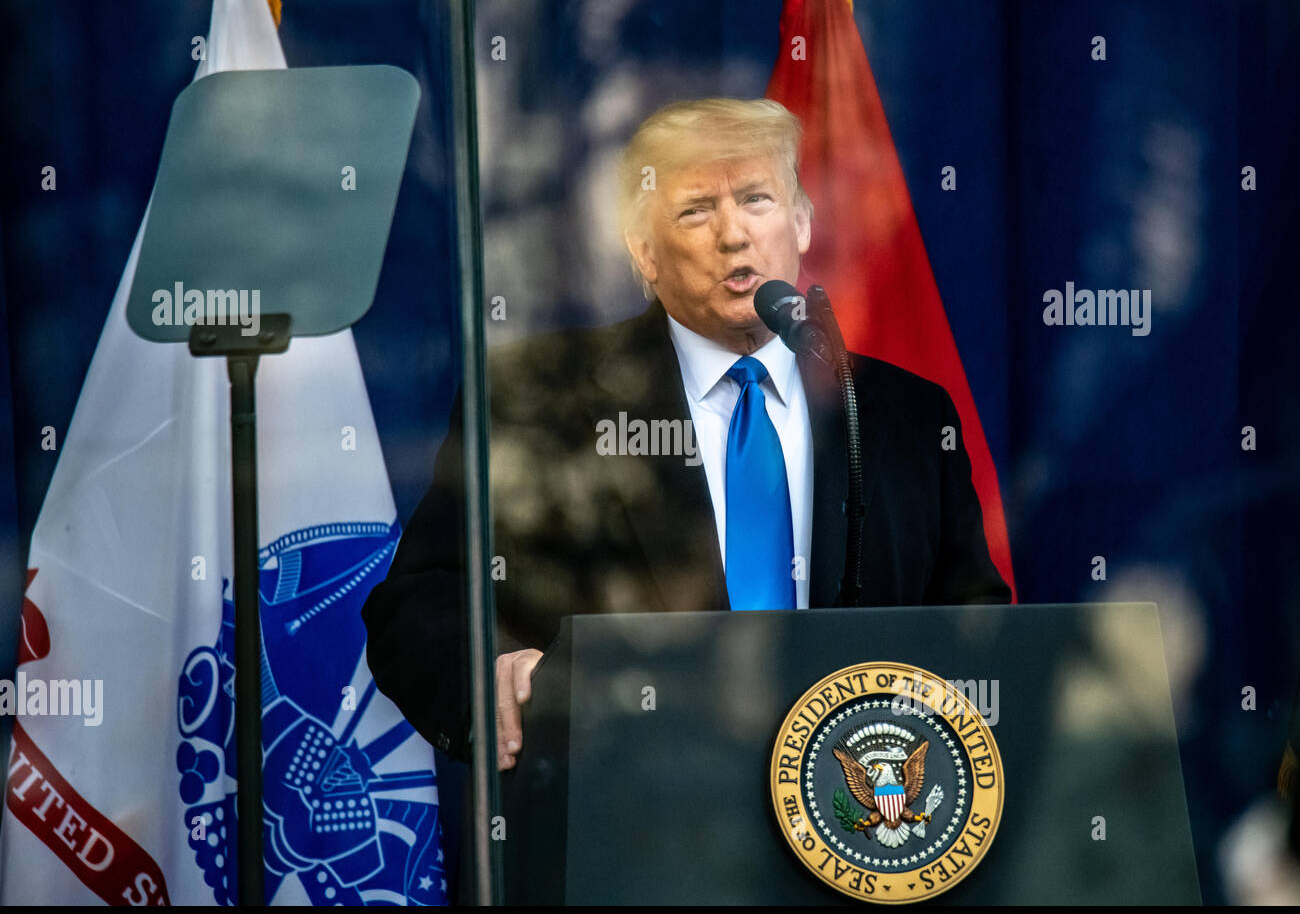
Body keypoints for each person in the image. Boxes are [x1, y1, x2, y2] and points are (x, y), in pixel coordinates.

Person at [361, 98, 1010, 772]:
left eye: (756, 199)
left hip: (855, 823)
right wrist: (486, 671)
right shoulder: (539, 400)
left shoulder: (902, 414)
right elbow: (418, 604)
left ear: (802, 223)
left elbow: (972, 619)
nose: (733, 235)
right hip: (623, 818)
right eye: (696, 210)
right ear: (644, 252)